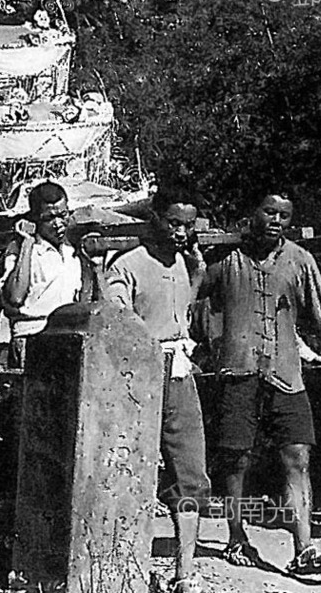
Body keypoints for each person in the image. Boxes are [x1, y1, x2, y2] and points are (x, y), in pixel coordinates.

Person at [197, 191, 321, 576]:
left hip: (286, 373)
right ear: (254, 214)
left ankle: (305, 548)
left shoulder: (299, 260)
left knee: (298, 455)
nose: (276, 220)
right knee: (236, 458)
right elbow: (191, 294)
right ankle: (236, 538)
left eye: (284, 215)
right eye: (269, 211)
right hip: (239, 371)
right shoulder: (227, 260)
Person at [103, 184, 210, 593]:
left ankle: (184, 572)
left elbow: (183, 312)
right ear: (155, 218)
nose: (181, 232)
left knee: (190, 470)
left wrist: (197, 272)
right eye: (173, 223)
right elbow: (118, 321)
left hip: (180, 372)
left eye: (188, 225)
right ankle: (121, 567)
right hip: (140, 375)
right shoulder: (127, 265)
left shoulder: (185, 262)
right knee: (128, 467)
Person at [0, 181, 90, 369]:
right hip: (32, 337)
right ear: (34, 219)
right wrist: (27, 243)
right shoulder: (19, 249)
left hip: (66, 338)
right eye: (49, 218)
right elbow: (15, 297)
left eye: (62, 215)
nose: (58, 224)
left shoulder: (71, 250)